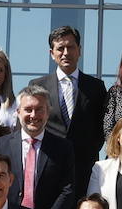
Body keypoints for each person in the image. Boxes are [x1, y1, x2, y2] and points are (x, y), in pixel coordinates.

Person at [0, 84, 76, 209]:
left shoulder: (63, 148)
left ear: (48, 113)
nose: (33, 115)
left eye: (39, 110)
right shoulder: (0, 146)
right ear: (18, 112)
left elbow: (67, 191)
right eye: (28, 109)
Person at [30, 25, 108, 182]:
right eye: (60, 48)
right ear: (52, 53)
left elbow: (101, 128)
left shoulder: (96, 87)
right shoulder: (38, 86)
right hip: (48, 166)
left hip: (85, 169)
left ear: (79, 50)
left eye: (71, 47)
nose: (66, 53)